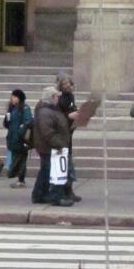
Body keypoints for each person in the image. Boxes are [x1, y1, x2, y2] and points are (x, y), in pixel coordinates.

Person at [32, 87, 74, 207]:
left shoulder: (51, 110)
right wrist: (60, 145)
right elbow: (47, 133)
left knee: (46, 171)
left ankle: (39, 195)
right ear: (51, 97)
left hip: (50, 147)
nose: (58, 98)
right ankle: (56, 196)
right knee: (54, 172)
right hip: (50, 147)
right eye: (56, 96)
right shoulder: (45, 112)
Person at [56, 73, 81, 202]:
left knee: (68, 162)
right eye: (64, 84)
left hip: (69, 133)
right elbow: (57, 116)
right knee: (67, 164)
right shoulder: (59, 99)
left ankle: (69, 190)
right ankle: (67, 191)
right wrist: (69, 116)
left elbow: (71, 109)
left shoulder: (70, 96)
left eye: (68, 83)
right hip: (62, 135)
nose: (67, 86)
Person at [4, 89, 33, 188]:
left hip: (20, 139)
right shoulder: (12, 108)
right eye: (12, 96)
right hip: (12, 137)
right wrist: (7, 119)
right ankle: (18, 177)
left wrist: (21, 133)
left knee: (21, 159)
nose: (12, 99)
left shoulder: (24, 108)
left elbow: (28, 122)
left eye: (14, 97)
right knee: (17, 158)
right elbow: (8, 124)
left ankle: (21, 179)